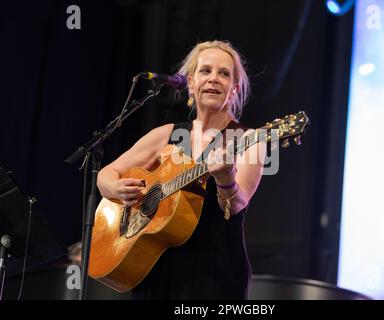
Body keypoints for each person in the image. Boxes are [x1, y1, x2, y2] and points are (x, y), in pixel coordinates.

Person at [96, 40, 265, 299]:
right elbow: (106, 175)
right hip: (154, 268)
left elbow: (237, 204)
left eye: (224, 73)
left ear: (234, 89)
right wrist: (116, 187)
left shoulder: (248, 139)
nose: (214, 79)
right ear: (190, 82)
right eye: (205, 71)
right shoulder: (164, 135)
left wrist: (225, 178)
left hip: (214, 274)